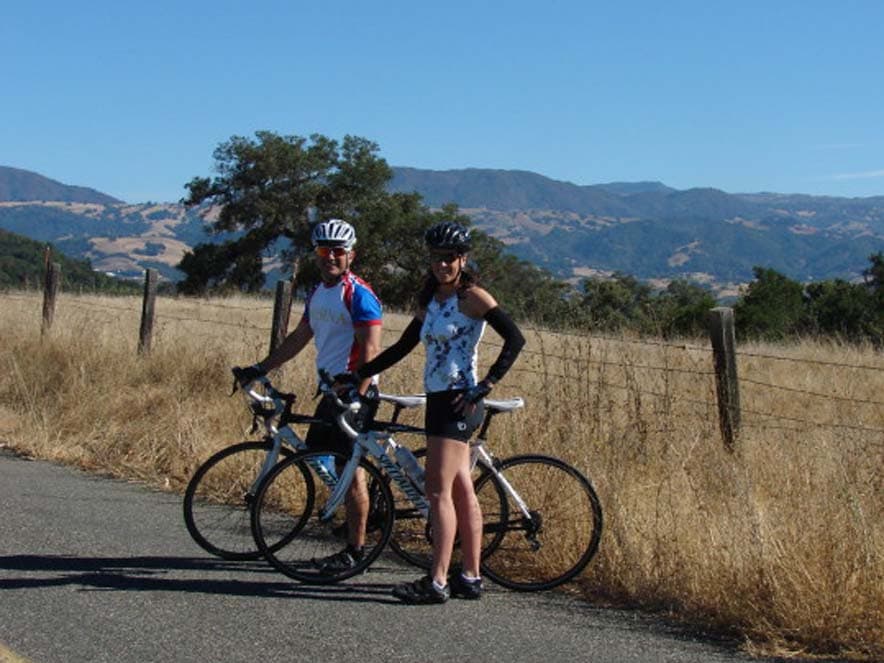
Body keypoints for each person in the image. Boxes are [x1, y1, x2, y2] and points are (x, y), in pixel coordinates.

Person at [338, 221, 525, 604]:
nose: (442, 265)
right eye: (436, 258)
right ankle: (470, 577)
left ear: (463, 259)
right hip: (438, 399)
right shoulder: (432, 301)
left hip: (459, 402)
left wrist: (486, 385)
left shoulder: (471, 297)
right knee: (459, 489)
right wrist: (358, 373)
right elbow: (403, 346)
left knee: (437, 490)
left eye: (449, 258)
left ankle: (437, 580)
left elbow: (515, 338)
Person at [235, 218, 382, 574]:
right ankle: (361, 515)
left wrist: (358, 396)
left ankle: (356, 549)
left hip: (355, 394)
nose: (330, 257)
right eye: (323, 250)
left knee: (351, 470)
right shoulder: (318, 292)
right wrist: (261, 367)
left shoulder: (359, 294)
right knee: (318, 458)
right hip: (331, 392)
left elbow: (371, 351)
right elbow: (299, 338)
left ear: (351, 255)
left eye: (338, 251)